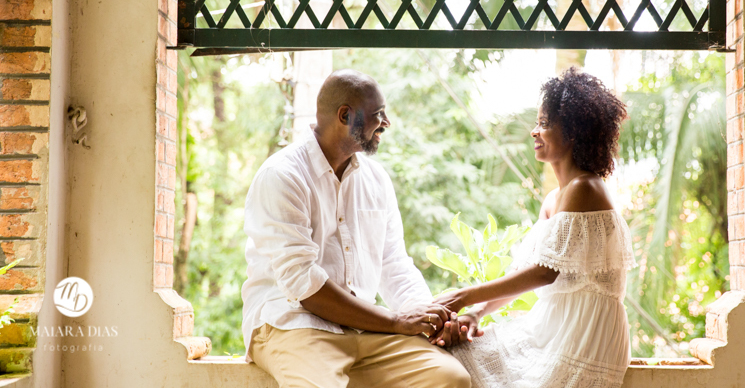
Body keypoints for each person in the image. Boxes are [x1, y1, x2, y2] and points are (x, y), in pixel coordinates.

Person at [241, 69, 471, 388]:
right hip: (292, 324)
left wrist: (430, 317)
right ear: (345, 115)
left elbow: (394, 264)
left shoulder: (376, 180)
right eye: (378, 114)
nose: (386, 123)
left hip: (364, 330)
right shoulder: (282, 176)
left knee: (450, 378)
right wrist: (396, 321)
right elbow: (304, 284)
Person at [434, 67, 636, 388]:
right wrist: (476, 313)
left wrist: (462, 296)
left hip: (585, 333)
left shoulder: (586, 188)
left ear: (572, 132)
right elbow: (527, 271)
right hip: (553, 327)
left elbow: (545, 273)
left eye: (544, 124)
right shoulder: (555, 198)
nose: (534, 131)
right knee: (453, 357)